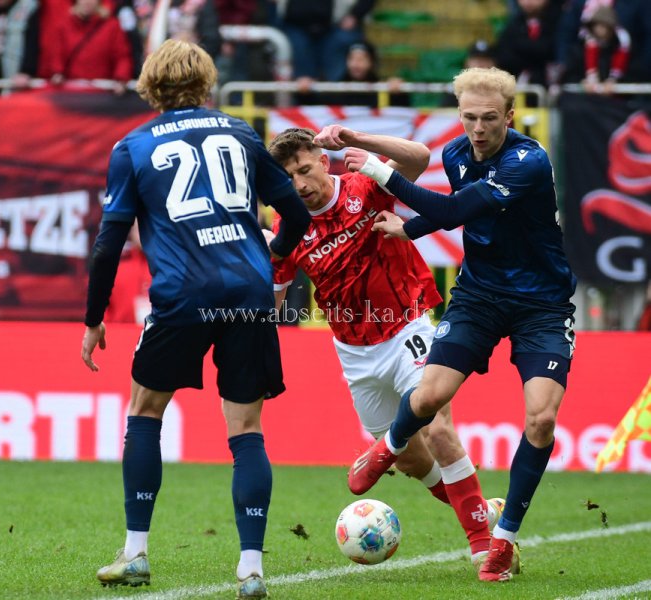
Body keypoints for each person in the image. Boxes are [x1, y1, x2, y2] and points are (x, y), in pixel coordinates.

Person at [80, 39, 310, 598]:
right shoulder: (241, 133)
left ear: (150, 87)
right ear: (206, 83)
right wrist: (274, 260)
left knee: (145, 411)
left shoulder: (132, 147)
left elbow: (109, 243)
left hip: (183, 294)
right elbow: (296, 212)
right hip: (249, 293)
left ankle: (136, 553)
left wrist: (93, 318)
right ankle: (251, 569)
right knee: (247, 429)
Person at [346, 67, 577, 582]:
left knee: (541, 420)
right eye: (469, 117)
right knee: (428, 398)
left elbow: (457, 210)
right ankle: (387, 448)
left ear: (510, 116)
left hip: (542, 305)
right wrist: (409, 228)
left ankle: (503, 538)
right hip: (479, 296)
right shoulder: (454, 153)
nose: (478, 128)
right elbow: (458, 212)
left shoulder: (528, 161)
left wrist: (381, 173)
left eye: (489, 118)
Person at [266, 126, 520, 573]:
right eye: (288, 178)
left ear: (323, 162)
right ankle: (484, 511)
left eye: (304, 170)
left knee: (437, 427)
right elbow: (274, 302)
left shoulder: (363, 186)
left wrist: (357, 140)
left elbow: (419, 156)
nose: (299, 184)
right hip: (354, 351)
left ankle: (486, 549)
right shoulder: (287, 228)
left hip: (408, 324)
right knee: (411, 459)